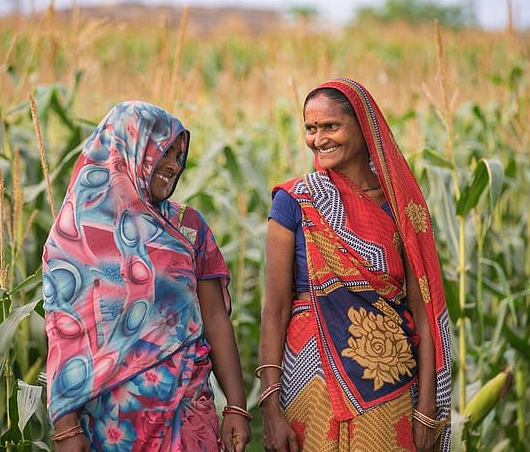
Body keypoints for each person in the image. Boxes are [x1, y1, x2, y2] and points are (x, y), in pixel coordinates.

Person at [42, 101, 252, 452]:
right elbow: (66, 330)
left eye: (177, 156)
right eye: (163, 153)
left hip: (186, 409)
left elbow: (215, 317)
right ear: (129, 149)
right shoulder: (76, 235)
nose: (174, 166)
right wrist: (66, 425)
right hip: (109, 419)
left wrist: (236, 405)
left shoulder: (188, 227)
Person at [258, 78, 452, 452]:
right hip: (309, 378)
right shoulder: (294, 200)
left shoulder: (400, 205)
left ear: (363, 127)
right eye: (311, 129)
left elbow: (423, 311)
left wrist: (427, 408)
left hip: (390, 381)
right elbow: (275, 308)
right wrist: (269, 407)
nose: (319, 139)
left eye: (331, 126)